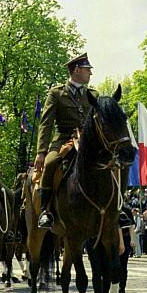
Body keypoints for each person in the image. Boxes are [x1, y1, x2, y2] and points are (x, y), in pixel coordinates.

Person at [34, 53, 96, 229]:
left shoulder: (93, 94)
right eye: (87, 70)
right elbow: (45, 125)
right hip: (63, 141)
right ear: (76, 70)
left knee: (110, 164)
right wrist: (41, 152)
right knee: (50, 163)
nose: (90, 74)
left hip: (88, 142)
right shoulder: (56, 93)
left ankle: (117, 208)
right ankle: (45, 211)